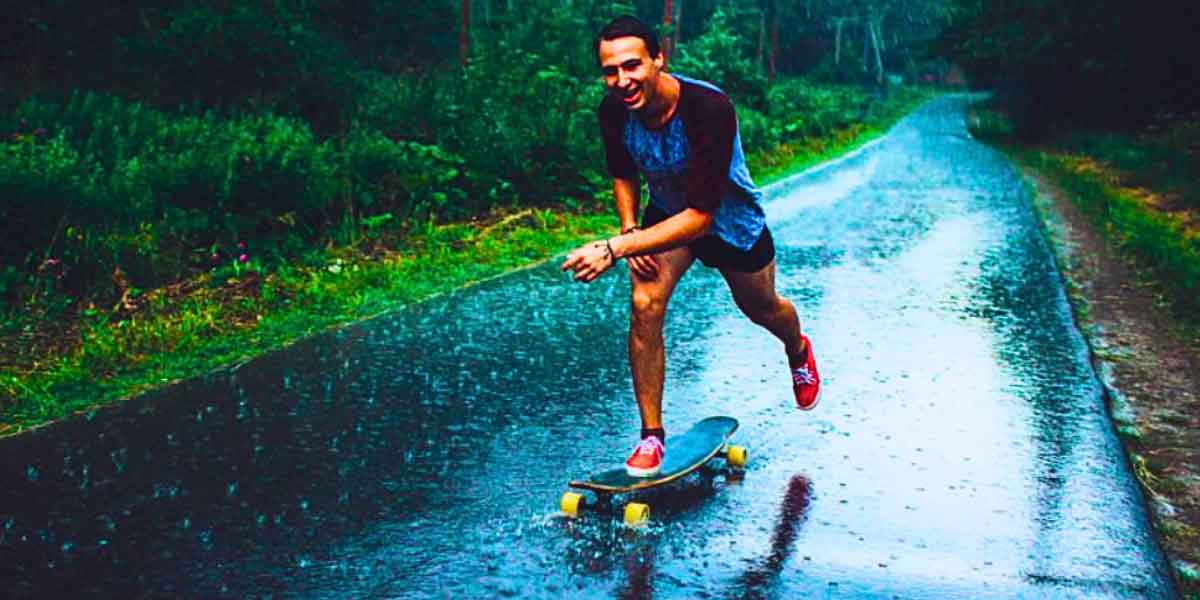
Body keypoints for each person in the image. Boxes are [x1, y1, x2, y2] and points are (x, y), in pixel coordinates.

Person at [560, 15, 819, 477]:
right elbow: (623, 172)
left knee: (762, 308)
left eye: (633, 65)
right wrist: (628, 229)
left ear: (660, 58)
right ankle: (651, 436)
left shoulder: (709, 108)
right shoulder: (614, 110)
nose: (622, 81)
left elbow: (702, 217)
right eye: (610, 71)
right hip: (666, 214)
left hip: (728, 221)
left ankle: (797, 348)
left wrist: (616, 246)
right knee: (645, 301)